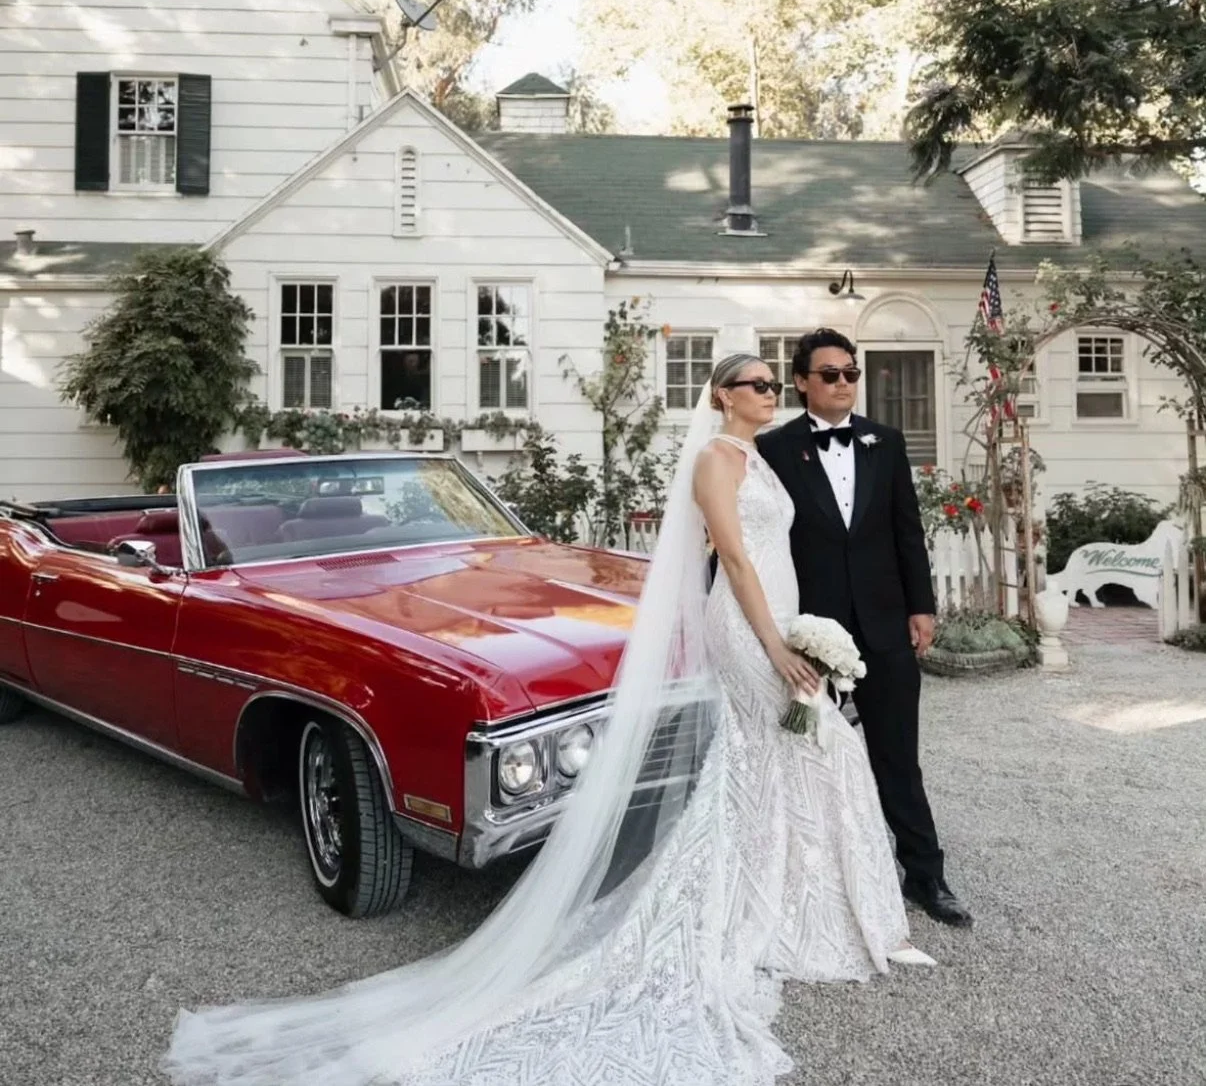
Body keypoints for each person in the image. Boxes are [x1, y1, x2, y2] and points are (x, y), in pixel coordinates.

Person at [164, 355, 930, 1086]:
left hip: (756, 621)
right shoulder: (719, 460)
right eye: (757, 383)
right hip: (752, 626)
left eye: (774, 382)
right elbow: (726, 553)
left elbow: (733, 548)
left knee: (793, 753)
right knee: (804, 746)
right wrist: (771, 635)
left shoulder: (757, 456)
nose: (773, 392)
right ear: (724, 395)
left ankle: (804, 904)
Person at [757, 329, 972, 928]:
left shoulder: (887, 441)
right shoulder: (772, 449)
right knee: (801, 749)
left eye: (850, 373)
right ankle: (813, 875)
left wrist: (921, 606)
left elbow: (908, 530)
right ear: (801, 381)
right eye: (830, 374)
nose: (844, 383)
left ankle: (926, 875)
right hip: (808, 631)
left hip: (883, 625)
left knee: (899, 754)